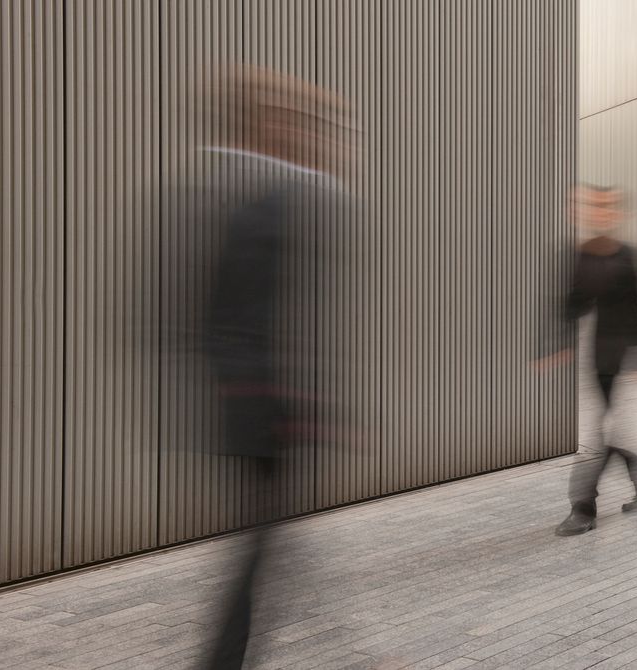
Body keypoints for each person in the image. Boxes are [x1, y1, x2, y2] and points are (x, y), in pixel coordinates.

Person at [200, 65, 351, 669]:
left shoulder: (270, 197)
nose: (315, 136)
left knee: (271, 541)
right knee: (266, 542)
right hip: (260, 408)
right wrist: (274, 401)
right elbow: (234, 317)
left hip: (266, 404)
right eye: (299, 122)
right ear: (269, 125)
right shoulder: (255, 204)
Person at [538, 184, 637, 537]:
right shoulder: (579, 255)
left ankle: (583, 505)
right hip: (598, 353)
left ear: (620, 214)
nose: (599, 212)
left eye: (607, 207)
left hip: (623, 353)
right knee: (611, 427)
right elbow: (569, 305)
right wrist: (553, 345)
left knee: (601, 431)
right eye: (594, 206)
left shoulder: (630, 256)